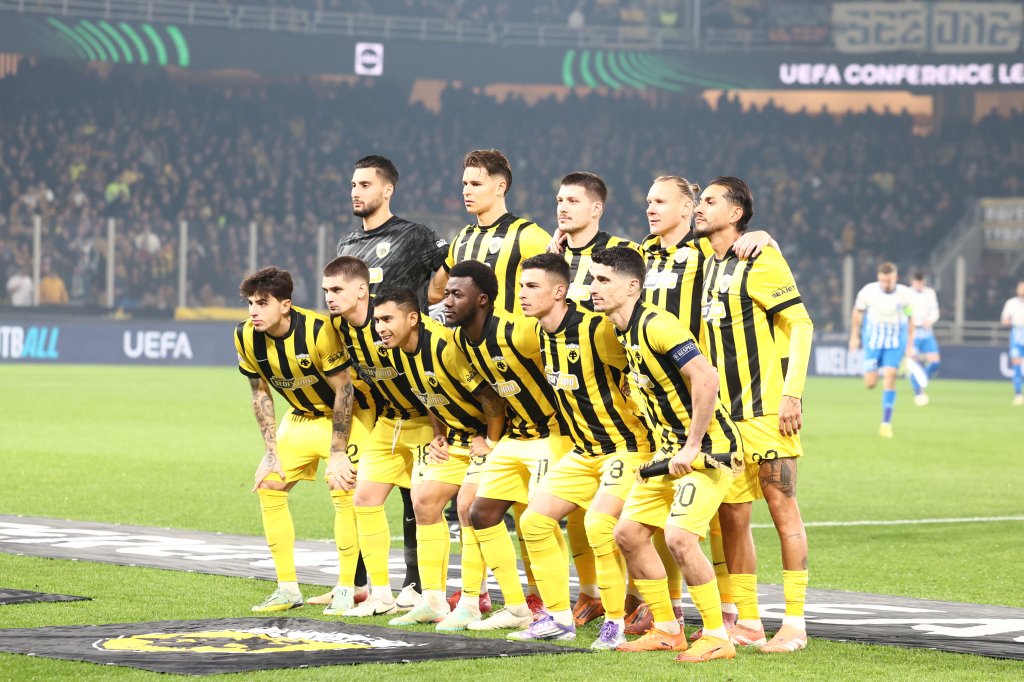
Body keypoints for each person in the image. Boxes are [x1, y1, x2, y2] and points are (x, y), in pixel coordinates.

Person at [590, 246, 742, 662]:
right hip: (668, 453)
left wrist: (692, 445)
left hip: (709, 450)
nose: (593, 287)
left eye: (603, 280)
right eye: (592, 278)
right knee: (628, 534)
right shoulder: (622, 331)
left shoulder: (658, 325)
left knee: (678, 538)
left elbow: (706, 379)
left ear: (632, 286)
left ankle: (717, 636)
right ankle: (668, 631)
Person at [508, 253, 655, 650]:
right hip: (584, 451)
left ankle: (615, 622)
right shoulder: (539, 333)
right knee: (534, 522)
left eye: (532, 286)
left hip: (625, 449)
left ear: (560, 291)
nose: (522, 294)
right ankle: (558, 619)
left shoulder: (598, 331)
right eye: (521, 286)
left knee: (598, 525)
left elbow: (645, 371)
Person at [697, 177, 814, 654]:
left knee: (784, 511)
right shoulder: (705, 260)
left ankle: (795, 623)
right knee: (732, 518)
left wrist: (793, 394)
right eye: (699, 200)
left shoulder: (760, 258)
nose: (700, 207)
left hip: (766, 412)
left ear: (736, 213)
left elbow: (801, 323)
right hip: (723, 420)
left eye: (710, 201)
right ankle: (748, 620)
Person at [332, 155, 450, 607]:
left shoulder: (412, 234)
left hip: (414, 372)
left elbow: (447, 268)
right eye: (352, 184)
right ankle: (364, 584)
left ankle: (416, 585)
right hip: (377, 388)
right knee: (366, 489)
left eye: (364, 184)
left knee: (414, 496)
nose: (355, 192)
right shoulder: (347, 242)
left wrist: (433, 305)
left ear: (387, 190)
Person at [370, 287, 506, 631]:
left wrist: (491, 443)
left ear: (412, 318)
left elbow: (492, 399)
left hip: (489, 437)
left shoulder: (445, 347)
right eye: (377, 320)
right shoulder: (396, 351)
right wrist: (438, 433)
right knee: (424, 501)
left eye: (387, 319)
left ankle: (473, 602)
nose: (380, 328)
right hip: (456, 438)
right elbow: (429, 396)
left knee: (467, 506)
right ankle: (433, 601)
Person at [445, 259, 568, 630]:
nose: (447, 301)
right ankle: (516, 608)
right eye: (447, 293)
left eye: (456, 294)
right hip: (516, 436)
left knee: (539, 520)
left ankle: (555, 609)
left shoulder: (521, 333)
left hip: (553, 433)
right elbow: (489, 395)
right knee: (479, 512)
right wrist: (491, 439)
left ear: (481, 300)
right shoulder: (459, 342)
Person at [234, 266, 360, 614]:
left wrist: (338, 452)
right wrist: (270, 451)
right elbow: (260, 393)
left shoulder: (318, 330)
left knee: (342, 486)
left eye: (262, 303)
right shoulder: (245, 335)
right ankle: (287, 589)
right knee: (269, 484)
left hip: (340, 420)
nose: (254, 311)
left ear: (285, 305)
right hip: (300, 418)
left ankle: (346, 589)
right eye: (250, 303)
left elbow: (345, 390)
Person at [322, 256, 436, 617]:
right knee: (365, 498)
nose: (329, 297)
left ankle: (429, 591)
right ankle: (381, 594)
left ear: (361, 290)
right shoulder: (338, 326)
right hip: (389, 421)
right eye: (325, 290)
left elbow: (433, 369)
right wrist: (338, 450)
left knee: (425, 504)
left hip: (428, 421)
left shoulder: (391, 318)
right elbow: (345, 388)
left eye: (336, 289)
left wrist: (446, 430)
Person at [435, 149, 551, 317]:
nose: (466, 191)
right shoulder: (462, 238)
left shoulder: (528, 235)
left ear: (500, 187)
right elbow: (435, 292)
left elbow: (560, 288)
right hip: (465, 335)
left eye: (476, 184)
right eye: (465, 184)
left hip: (512, 333)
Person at [849, 262, 915, 438]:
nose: (886, 284)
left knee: (890, 375)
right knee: (870, 384)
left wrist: (910, 344)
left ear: (896, 278)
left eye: (889, 281)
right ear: (878, 278)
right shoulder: (867, 292)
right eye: (883, 281)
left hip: (895, 341)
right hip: (873, 341)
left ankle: (886, 423)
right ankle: (875, 370)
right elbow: (857, 313)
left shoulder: (905, 295)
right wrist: (854, 336)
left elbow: (911, 319)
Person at [908, 271, 941, 406]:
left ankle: (921, 381)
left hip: (927, 332)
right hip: (913, 332)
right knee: (914, 363)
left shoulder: (930, 293)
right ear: (912, 281)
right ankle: (918, 393)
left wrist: (930, 320)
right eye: (917, 281)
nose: (919, 284)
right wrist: (911, 321)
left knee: (935, 362)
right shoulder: (907, 293)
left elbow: (935, 311)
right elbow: (904, 311)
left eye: (921, 282)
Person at [1001, 280, 1024, 406]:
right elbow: (1004, 320)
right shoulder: (1011, 303)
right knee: (1017, 367)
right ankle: (1018, 394)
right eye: (1021, 287)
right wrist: (1015, 322)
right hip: (1017, 336)